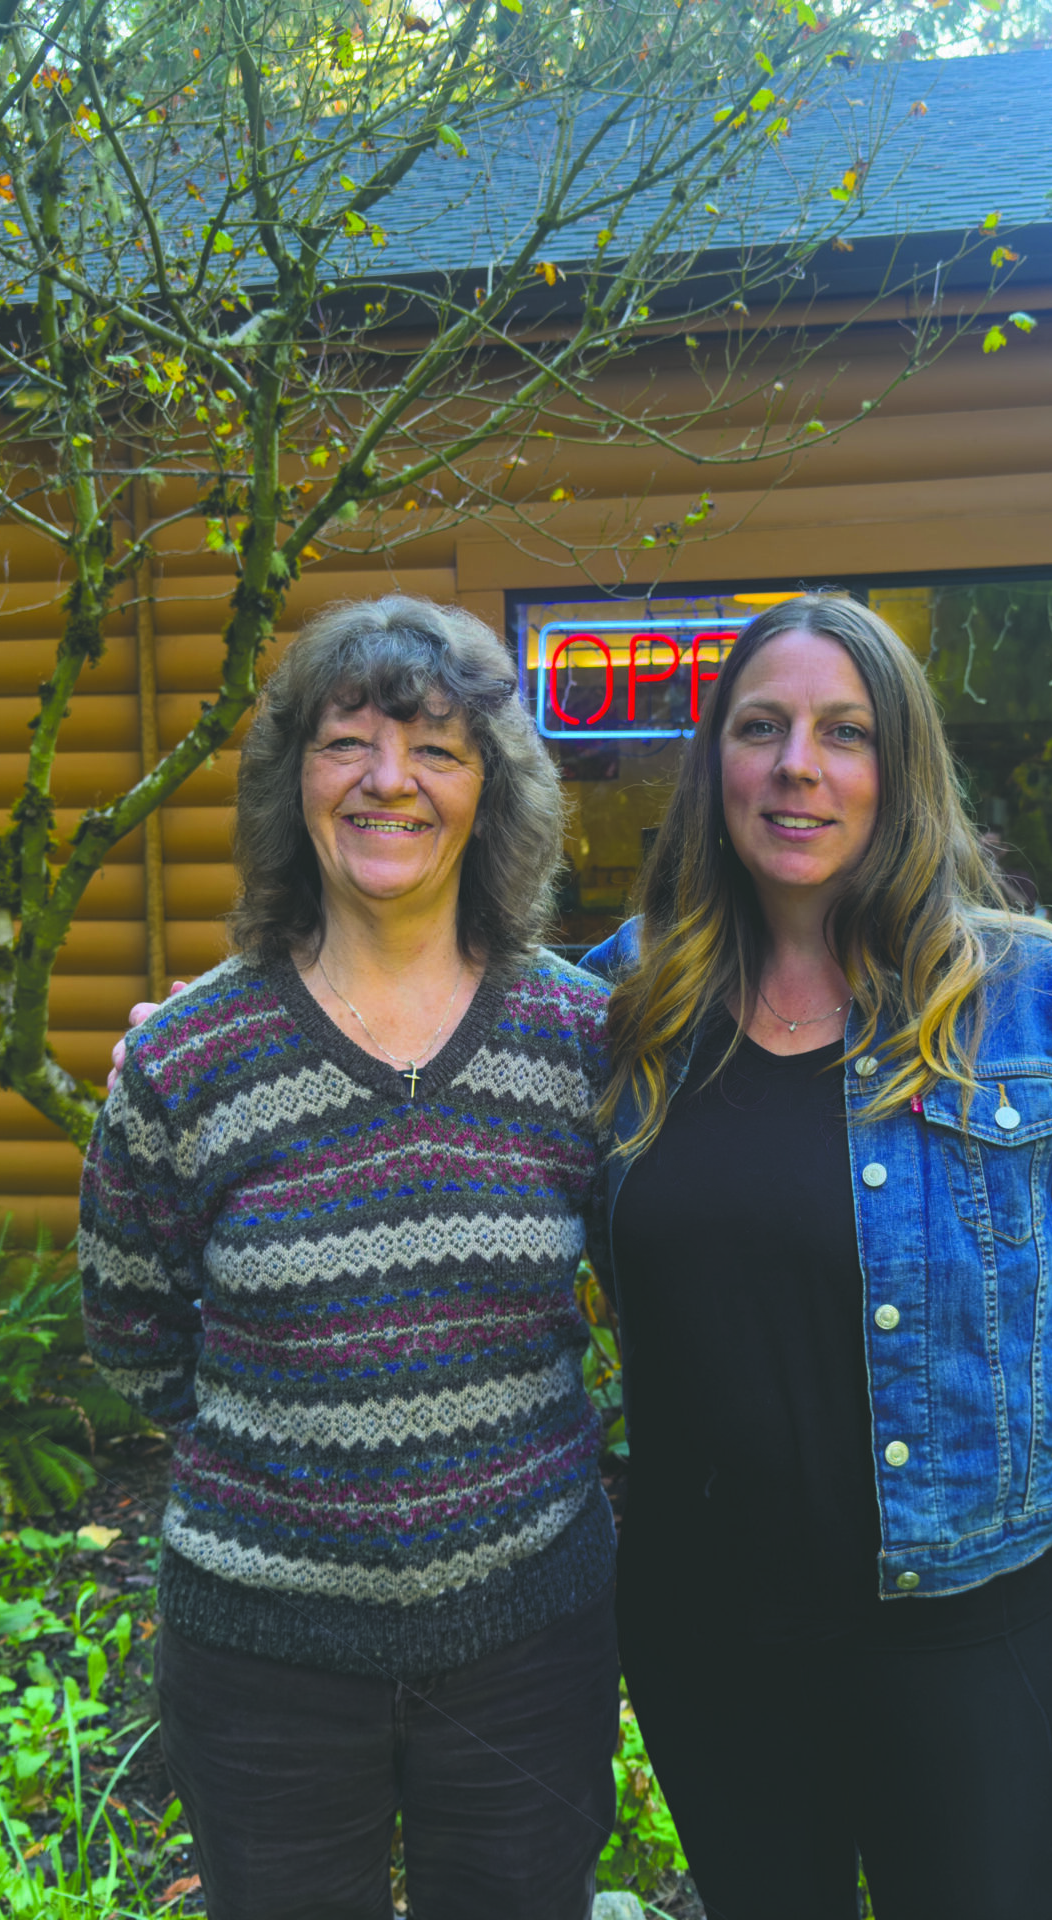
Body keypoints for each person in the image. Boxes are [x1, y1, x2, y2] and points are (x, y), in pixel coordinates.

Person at [579, 592, 1052, 1920]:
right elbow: (431, 1039)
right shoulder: (628, 1004)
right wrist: (219, 1024)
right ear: (717, 770)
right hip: (713, 1645)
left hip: (972, 1637)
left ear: (900, 767)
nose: (798, 763)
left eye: (843, 731)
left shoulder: (1033, 1001)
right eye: (761, 728)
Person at [80, 596, 619, 1920]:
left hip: (528, 1645)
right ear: (293, 783)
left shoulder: (587, 1045)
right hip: (262, 1661)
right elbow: (133, 1337)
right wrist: (300, 1465)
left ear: (492, 792)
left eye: (436, 748)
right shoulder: (183, 1059)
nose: (390, 780)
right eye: (349, 743)